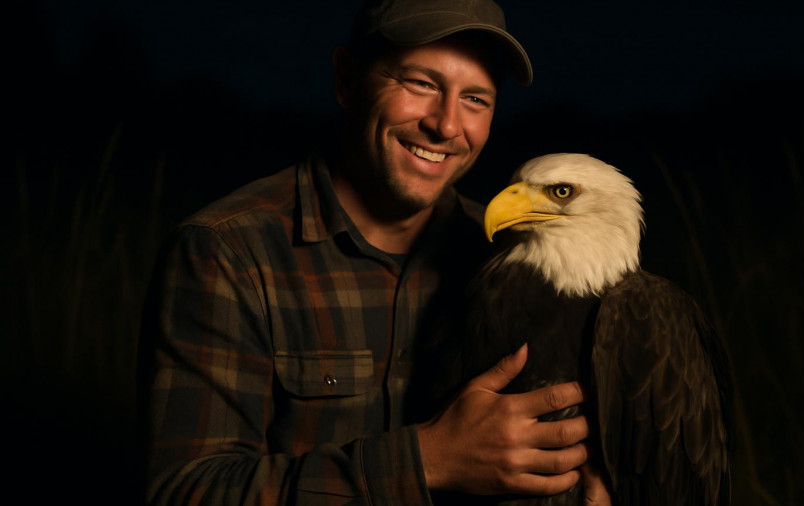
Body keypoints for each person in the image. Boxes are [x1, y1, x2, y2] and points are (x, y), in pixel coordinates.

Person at [138, 0, 611, 504]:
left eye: (476, 98)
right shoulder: (227, 253)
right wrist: (426, 461)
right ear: (346, 80)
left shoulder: (505, 256)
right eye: (421, 84)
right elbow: (184, 492)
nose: (447, 126)